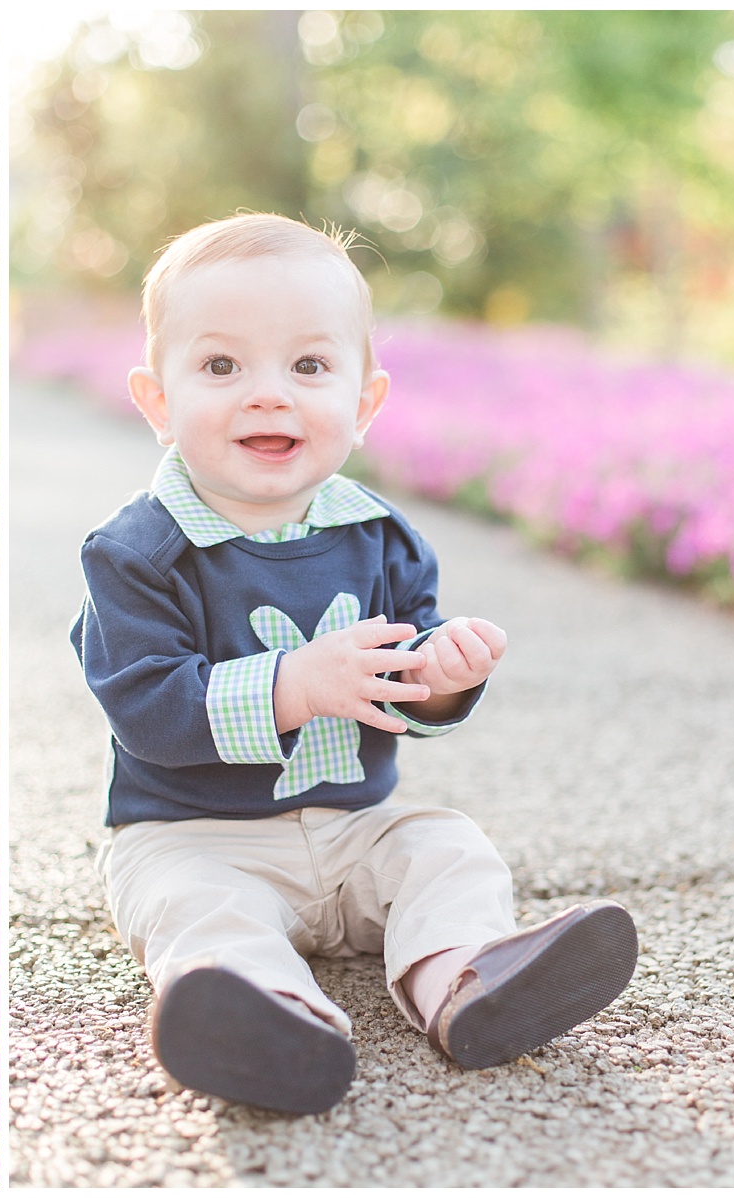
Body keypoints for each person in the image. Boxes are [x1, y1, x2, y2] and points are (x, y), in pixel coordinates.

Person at [71, 213, 637, 1115]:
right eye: (221, 366)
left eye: (308, 366)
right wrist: (296, 686)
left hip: (351, 829)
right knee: (199, 913)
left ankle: (465, 983)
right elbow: (147, 710)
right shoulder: (135, 554)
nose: (269, 396)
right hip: (194, 836)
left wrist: (441, 673)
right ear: (156, 401)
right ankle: (269, 1019)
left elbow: (405, 669)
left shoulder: (379, 533)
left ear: (365, 403)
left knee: (446, 848)